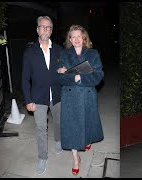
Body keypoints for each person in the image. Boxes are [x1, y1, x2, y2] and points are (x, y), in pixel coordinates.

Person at [57, 25, 104, 176]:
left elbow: (98, 75)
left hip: (88, 94)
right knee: (71, 129)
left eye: (79, 36)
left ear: (84, 38)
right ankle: (76, 159)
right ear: (69, 39)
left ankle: (87, 139)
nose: (76, 39)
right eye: (73, 36)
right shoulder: (64, 54)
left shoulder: (93, 54)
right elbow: (59, 77)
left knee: (87, 123)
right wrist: (73, 77)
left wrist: (78, 77)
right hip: (70, 97)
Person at [21, 16, 63, 175]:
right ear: (37, 29)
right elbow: (25, 78)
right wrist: (28, 99)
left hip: (57, 93)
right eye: (42, 27)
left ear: (51, 30)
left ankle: (58, 140)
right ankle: (43, 157)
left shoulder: (59, 50)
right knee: (40, 128)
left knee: (58, 121)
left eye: (48, 27)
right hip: (38, 96)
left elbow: (64, 69)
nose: (45, 29)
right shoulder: (30, 52)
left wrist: (65, 71)